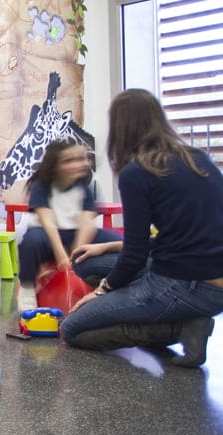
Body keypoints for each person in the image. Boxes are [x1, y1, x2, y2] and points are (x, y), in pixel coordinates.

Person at [61, 89, 223, 367]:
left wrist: (102, 291)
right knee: (85, 261)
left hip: (187, 284)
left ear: (121, 128)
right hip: (204, 278)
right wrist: (108, 246)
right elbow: (182, 236)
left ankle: (180, 327)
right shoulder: (197, 158)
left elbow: (134, 256)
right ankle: (162, 313)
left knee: (72, 329)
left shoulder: (137, 172)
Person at [16, 139, 121, 311]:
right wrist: (60, 254)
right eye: (70, 161)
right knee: (30, 241)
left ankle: (113, 280)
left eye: (82, 159)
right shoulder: (41, 185)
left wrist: (75, 255)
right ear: (56, 166)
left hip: (75, 234)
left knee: (117, 240)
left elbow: (86, 223)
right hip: (47, 235)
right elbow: (47, 221)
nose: (80, 164)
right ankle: (27, 289)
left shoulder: (84, 187)